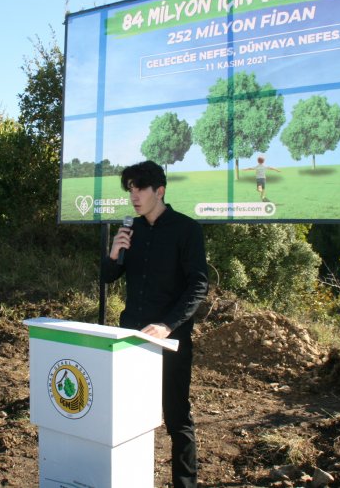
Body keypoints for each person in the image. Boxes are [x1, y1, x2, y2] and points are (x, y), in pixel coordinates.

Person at [103, 161, 209, 488]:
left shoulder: (186, 229)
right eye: (130, 189)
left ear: (159, 191)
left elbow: (198, 286)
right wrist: (114, 252)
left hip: (170, 341)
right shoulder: (129, 229)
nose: (133, 195)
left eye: (140, 188)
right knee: (129, 418)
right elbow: (108, 278)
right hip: (130, 340)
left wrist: (167, 325)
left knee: (177, 419)